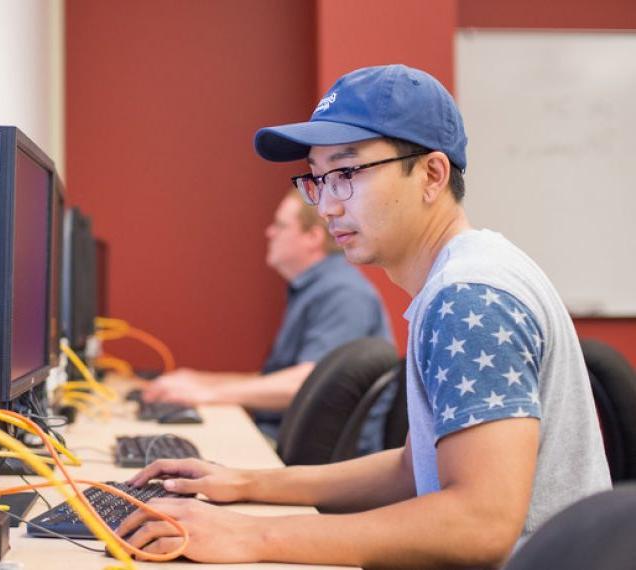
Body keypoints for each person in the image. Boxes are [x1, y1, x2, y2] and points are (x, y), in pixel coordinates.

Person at [116, 64, 611, 567]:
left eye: (348, 174)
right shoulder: (462, 274)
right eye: (317, 178)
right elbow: (412, 469)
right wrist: (247, 482)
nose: (327, 205)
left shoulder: (469, 298)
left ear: (432, 175)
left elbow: (479, 522)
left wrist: (255, 537)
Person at [142, 190, 393, 442]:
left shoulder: (343, 293)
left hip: (318, 460)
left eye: (280, 225)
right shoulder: (315, 287)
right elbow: (279, 379)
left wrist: (208, 393)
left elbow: (307, 384)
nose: (269, 232)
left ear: (312, 237)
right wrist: (204, 382)